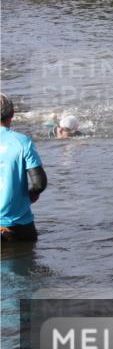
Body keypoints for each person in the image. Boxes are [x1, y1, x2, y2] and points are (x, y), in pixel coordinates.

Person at [1, 94, 47, 242]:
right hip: (18, 227)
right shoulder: (22, 142)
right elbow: (40, 183)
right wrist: (32, 194)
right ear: (13, 114)